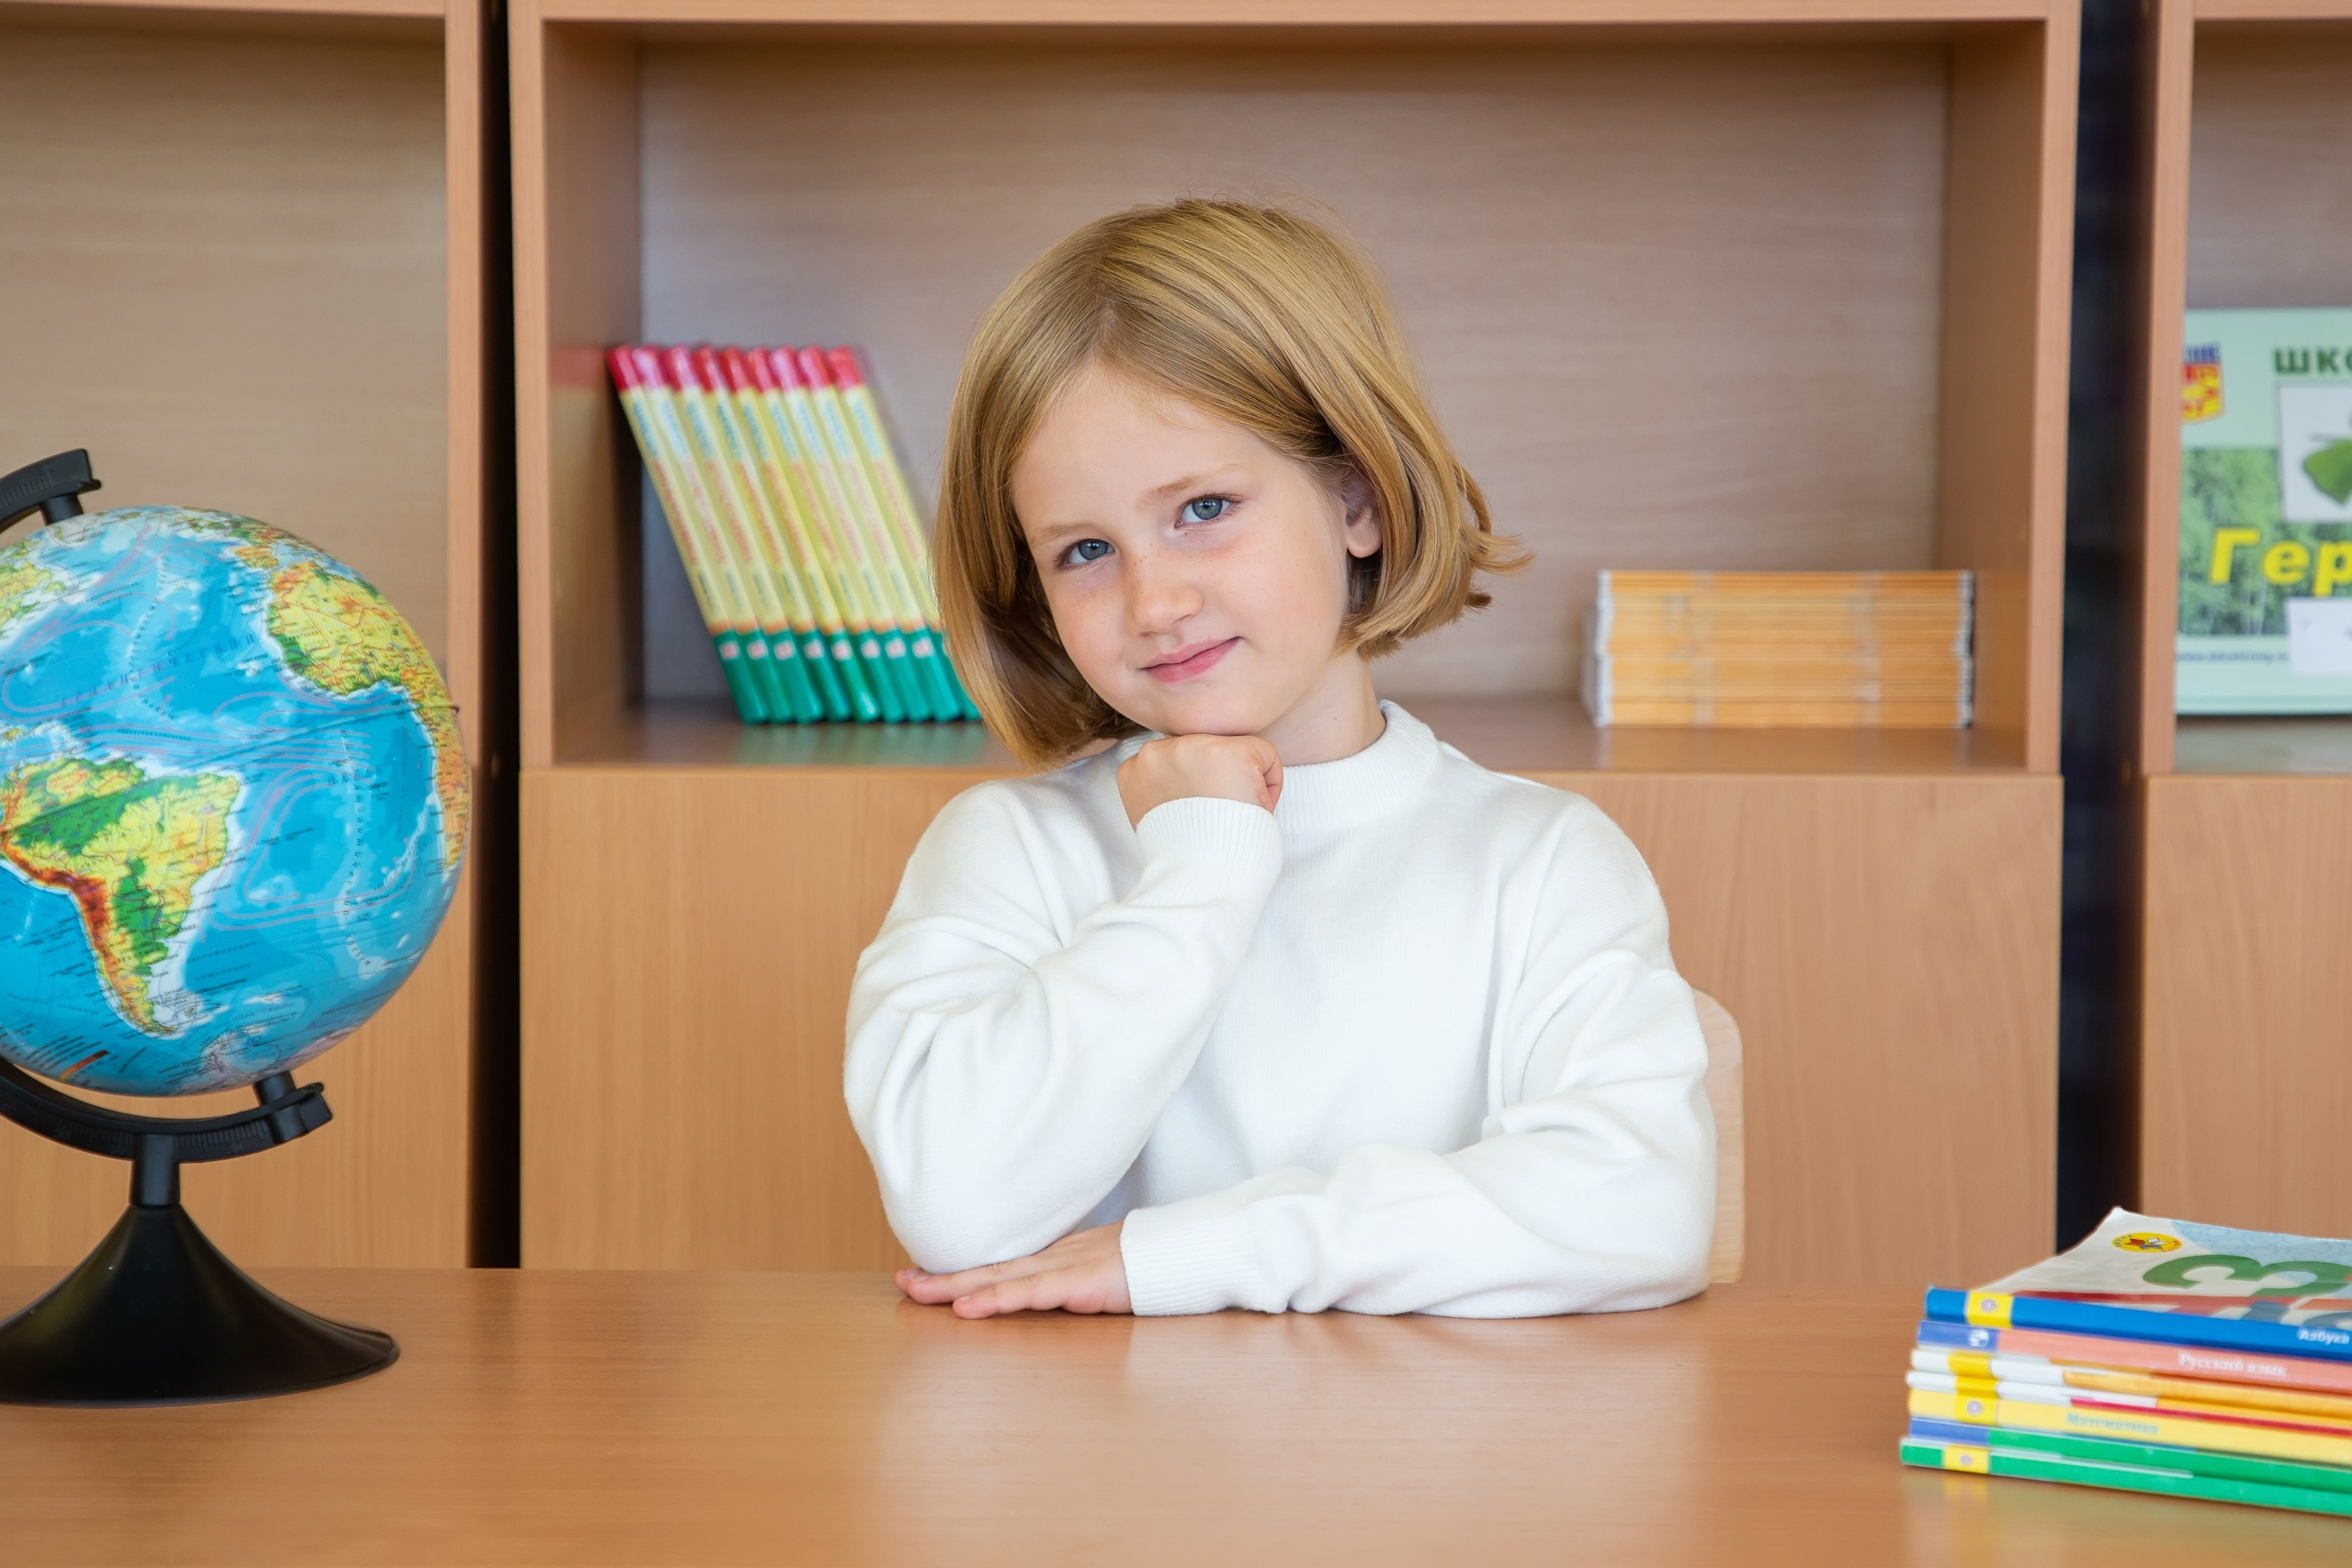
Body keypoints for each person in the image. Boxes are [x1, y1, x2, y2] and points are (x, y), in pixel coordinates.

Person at [844, 198, 1714, 1321]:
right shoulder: (1012, 850)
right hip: (1088, 1480)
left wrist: (1178, 1257)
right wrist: (1203, 865)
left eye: (1203, 507)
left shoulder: (1538, 861)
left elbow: (1640, 1210)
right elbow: (953, 1206)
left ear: (1353, 499)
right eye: (1085, 551)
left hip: (1443, 1479)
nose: (1155, 600)